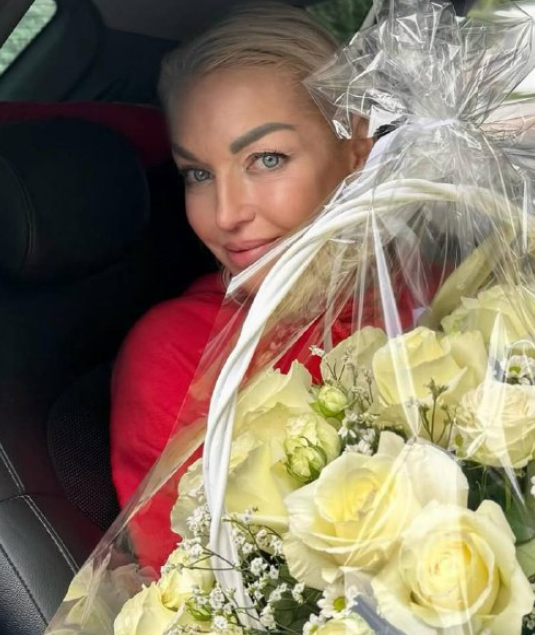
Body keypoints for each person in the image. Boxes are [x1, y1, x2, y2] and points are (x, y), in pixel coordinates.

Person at [109, 1, 373, 564]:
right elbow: (194, 585)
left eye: (266, 159)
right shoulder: (179, 355)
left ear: (357, 148)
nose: (226, 215)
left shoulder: (432, 281)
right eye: (198, 174)